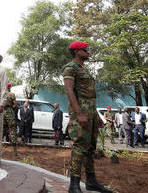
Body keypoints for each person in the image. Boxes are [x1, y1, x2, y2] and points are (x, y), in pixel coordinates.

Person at [63, 41, 111, 193]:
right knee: (80, 147)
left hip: (90, 113)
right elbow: (69, 91)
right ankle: (74, 185)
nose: (88, 52)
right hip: (80, 114)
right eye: (86, 49)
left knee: (90, 148)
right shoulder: (71, 67)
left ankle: (91, 182)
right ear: (77, 52)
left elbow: (90, 97)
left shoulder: (85, 69)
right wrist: (80, 114)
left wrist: (97, 117)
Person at [2, 82, 18, 155]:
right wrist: (11, 107)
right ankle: (15, 150)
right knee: (12, 129)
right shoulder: (12, 94)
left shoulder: (1, 94)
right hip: (10, 113)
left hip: (2, 112)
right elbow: (15, 104)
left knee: (1, 130)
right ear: (10, 87)